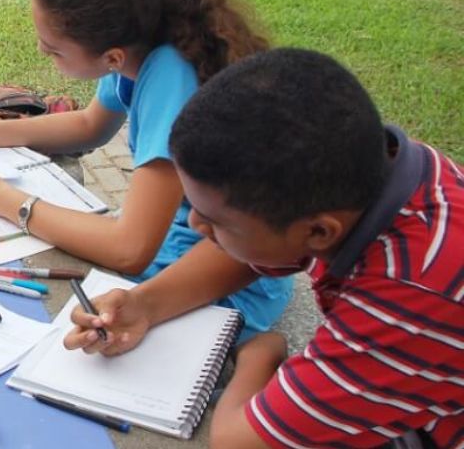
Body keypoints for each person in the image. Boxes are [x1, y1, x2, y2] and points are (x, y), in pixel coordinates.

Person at [64, 49, 463, 448]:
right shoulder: (383, 171)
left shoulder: (407, 298)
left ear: (320, 233)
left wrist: (262, 353)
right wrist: (143, 305)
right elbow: (249, 253)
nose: (193, 225)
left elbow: (240, 442)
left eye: (216, 222)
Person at [0, 0, 290, 339]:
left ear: (112, 57)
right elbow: (89, 125)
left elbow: (130, 249)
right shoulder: (142, 44)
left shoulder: (170, 78)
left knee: (48, 321)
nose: (44, 55)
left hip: (218, 278)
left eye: (54, 51)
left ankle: (257, 354)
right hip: (179, 244)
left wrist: (5, 201)